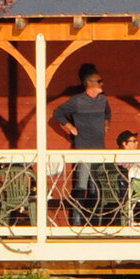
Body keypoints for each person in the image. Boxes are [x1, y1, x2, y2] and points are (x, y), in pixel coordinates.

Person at [51, 64, 111, 219]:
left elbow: (107, 113)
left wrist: (106, 124)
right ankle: (76, 220)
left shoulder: (103, 100)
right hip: (83, 149)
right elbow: (58, 113)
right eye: (99, 81)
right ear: (89, 83)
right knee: (81, 184)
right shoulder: (77, 101)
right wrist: (70, 127)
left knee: (95, 185)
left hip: (99, 149)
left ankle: (93, 220)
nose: (102, 84)